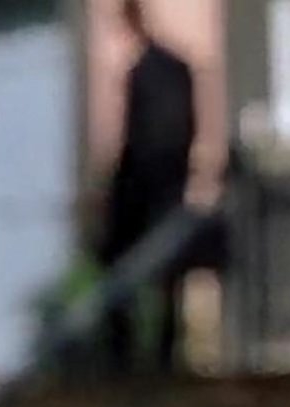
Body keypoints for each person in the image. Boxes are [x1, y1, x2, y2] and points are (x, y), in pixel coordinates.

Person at [98, 0, 196, 375]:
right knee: (162, 270)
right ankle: (156, 350)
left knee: (128, 262)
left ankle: (126, 351)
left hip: (147, 187)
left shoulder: (147, 73)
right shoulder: (173, 68)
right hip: (165, 185)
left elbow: (138, 140)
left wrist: (119, 188)